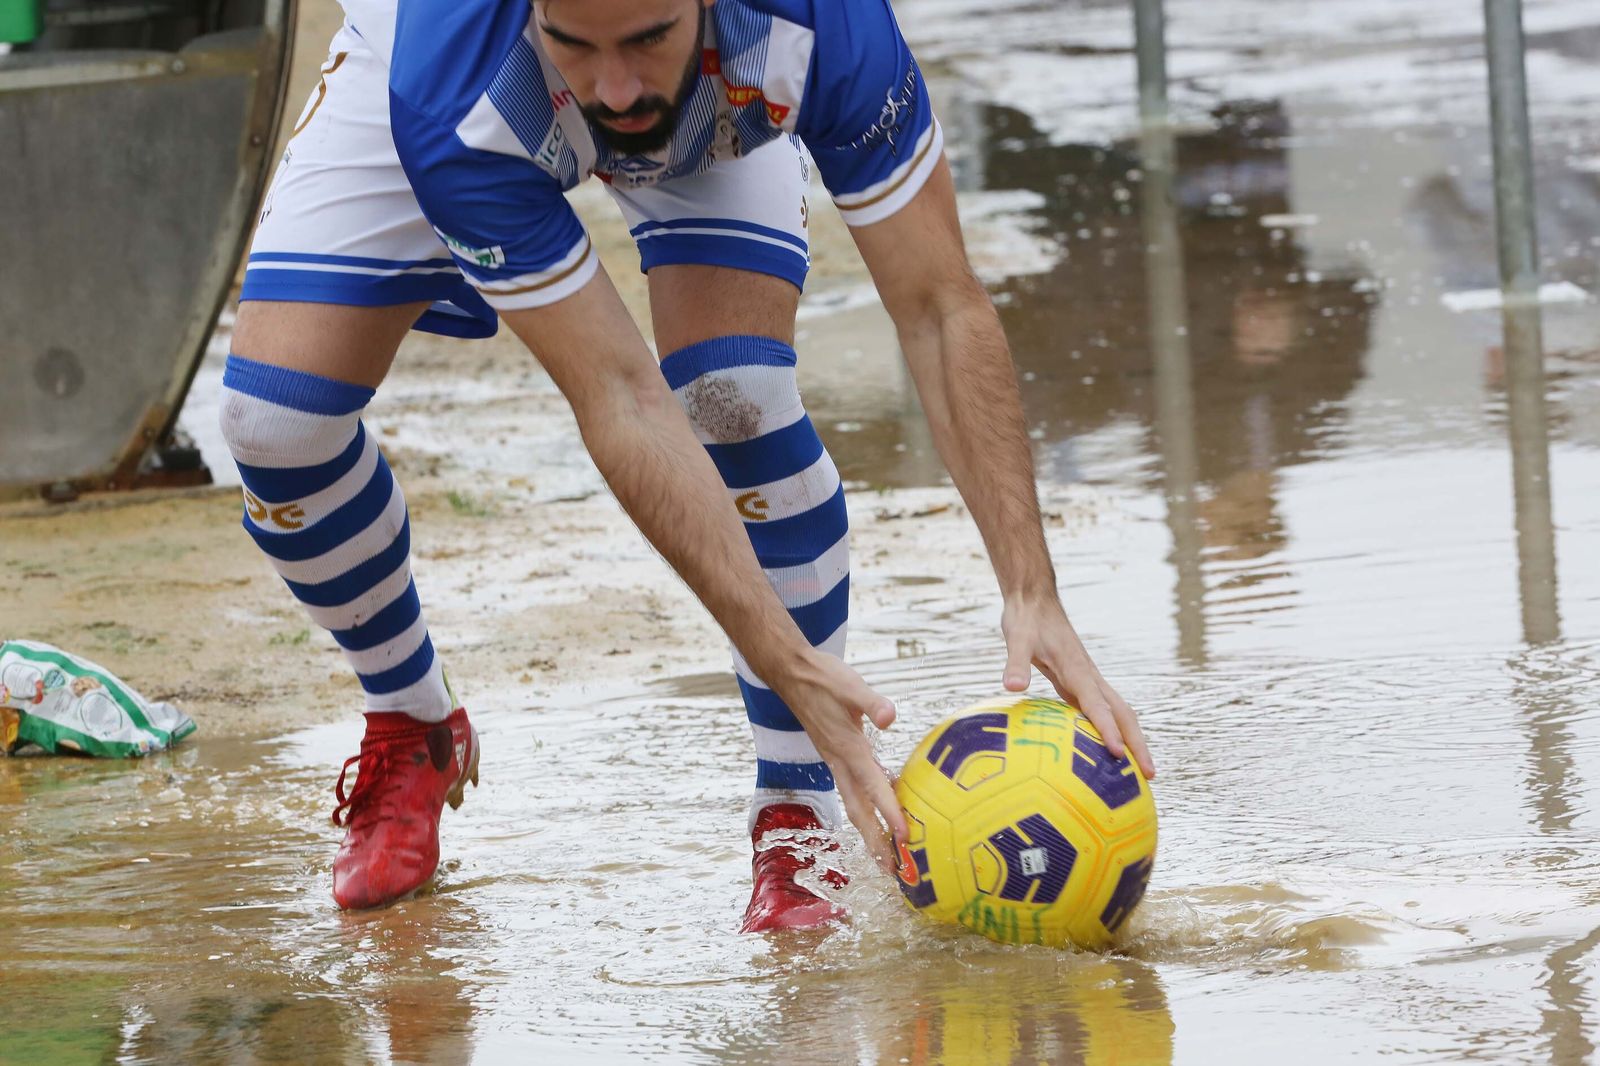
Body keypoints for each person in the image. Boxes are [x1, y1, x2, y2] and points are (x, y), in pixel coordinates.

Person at [220, 0, 1154, 928]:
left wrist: (1031, 586)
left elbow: (939, 305)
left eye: (645, 37)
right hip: (476, 82)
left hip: (719, 100)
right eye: (580, 44)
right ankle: (412, 721)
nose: (615, 90)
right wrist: (784, 658)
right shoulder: (454, 81)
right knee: (273, 425)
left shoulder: (817, 23)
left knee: (734, 394)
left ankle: (797, 813)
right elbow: (619, 397)